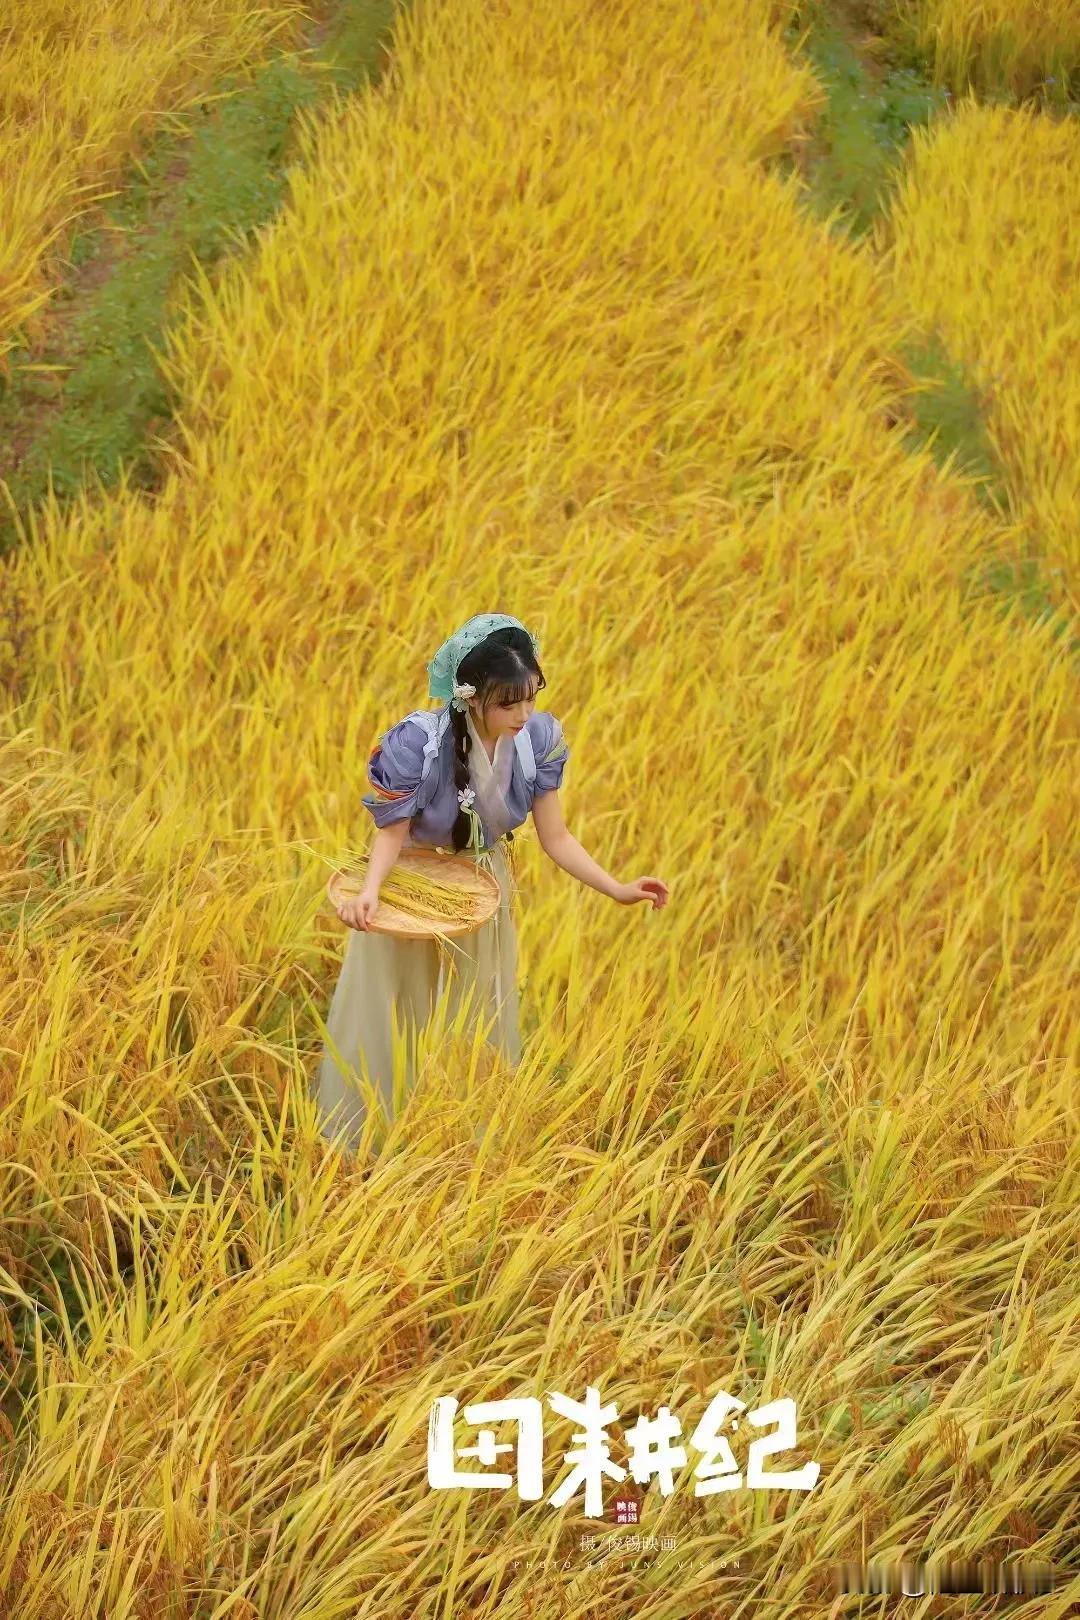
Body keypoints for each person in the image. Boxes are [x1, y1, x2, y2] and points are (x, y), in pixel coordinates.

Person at [314, 612, 669, 1154]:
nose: (525, 713)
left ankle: (457, 1143)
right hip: (412, 884)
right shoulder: (420, 744)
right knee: (395, 1006)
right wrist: (371, 891)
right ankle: (371, 1137)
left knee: (476, 1015)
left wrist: (617, 887)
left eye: (530, 697)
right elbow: (391, 833)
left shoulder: (538, 740)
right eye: (510, 703)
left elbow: (557, 837)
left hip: (482, 892)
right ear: (471, 698)